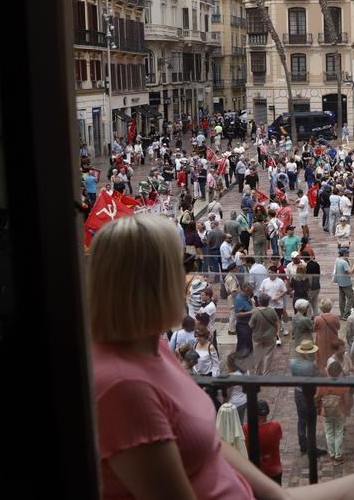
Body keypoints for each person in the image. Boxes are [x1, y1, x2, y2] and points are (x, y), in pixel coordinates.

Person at [86, 214, 285, 499]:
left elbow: (209, 444)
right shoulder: (124, 386)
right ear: (153, 283)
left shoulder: (156, 348)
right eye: (183, 267)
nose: (189, 279)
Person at [315, 362, 350, 465]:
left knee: (329, 432)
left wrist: (318, 406)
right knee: (339, 432)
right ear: (339, 372)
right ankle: (338, 456)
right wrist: (347, 410)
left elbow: (317, 397)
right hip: (340, 410)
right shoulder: (343, 384)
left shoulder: (322, 384)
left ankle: (331, 453)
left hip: (326, 410)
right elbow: (347, 399)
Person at [241, 401, 283, 487]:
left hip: (257, 471)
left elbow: (245, 447)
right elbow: (279, 438)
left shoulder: (246, 429)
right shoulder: (276, 426)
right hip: (275, 469)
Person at [249, 293, 281, 375]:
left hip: (257, 336)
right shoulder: (272, 311)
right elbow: (277, 323)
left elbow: (251, 325)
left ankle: (257, 372)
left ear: (259, 302)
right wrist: (277, 333)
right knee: (268, 354)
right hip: (270, 336)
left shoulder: (255, 312)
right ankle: (265, 373)